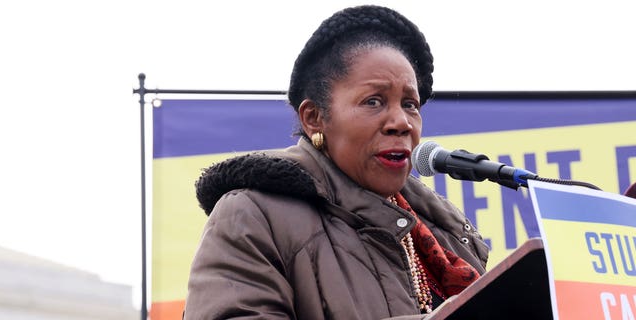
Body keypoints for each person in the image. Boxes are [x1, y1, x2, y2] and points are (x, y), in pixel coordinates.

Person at [183, 5, 489, 319]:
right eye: (374, 101)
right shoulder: (253, 217)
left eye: (410, 104)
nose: (402, 122)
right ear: (314, 118)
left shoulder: (448, 237)